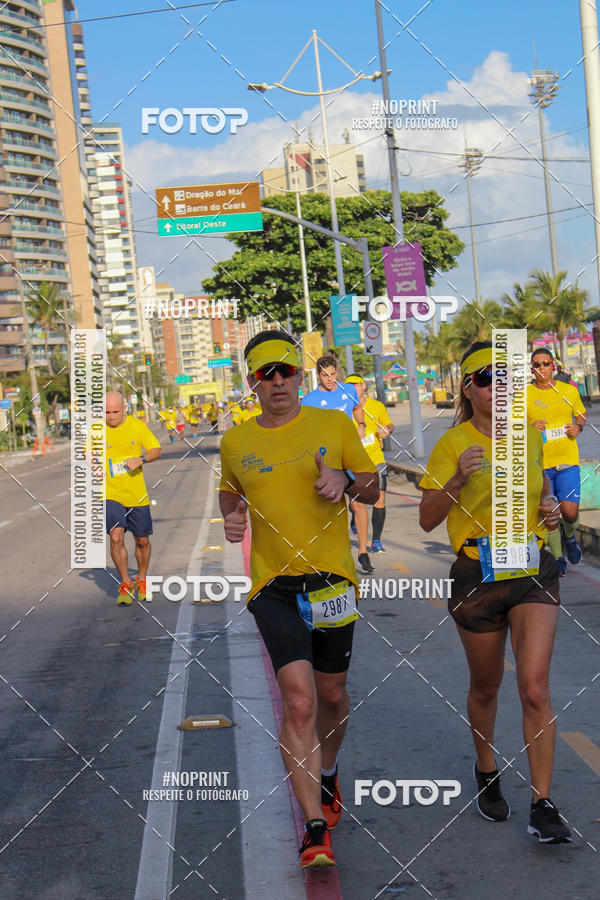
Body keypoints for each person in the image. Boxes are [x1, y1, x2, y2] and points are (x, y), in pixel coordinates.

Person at [220, 330, 378, 868]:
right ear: (253, 384)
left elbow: (373, 485)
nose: (278, 382)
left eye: (286, 372)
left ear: (301, 377)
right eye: (267, 374)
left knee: (332, 697)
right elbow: (229, 486)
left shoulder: (333, 425)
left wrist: (344, 480)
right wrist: (231, 513)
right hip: (273, 587)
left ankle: (328, 771)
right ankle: (314, 826)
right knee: (300, 700)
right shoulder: (236, 441)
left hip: (332, 582)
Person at [418, 341, 572, 844]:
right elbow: (426, 519)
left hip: (531, 568)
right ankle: (487, 769)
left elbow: (542, 493)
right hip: (476, 574)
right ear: (469, 388)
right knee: (486, 686)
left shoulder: (526, 434)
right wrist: (458, 478)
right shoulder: (451, 444)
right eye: (486, 378)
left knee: (534, 686)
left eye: (506, 377)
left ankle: (542, 803)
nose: (499, 387)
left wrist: (549, 510)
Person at [302, 355, 373, 575]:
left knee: (359, 503)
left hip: (350, 456)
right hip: (326, 460)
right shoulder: (308, 400)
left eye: (333, 374)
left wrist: (360, 424)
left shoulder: (348, 391)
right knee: (331, 508)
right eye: (325, 375)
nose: (330, 379)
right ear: (318, 375)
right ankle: (333, 555)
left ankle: (363, 552)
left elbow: (357, 409)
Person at [527, 347, 586, 576]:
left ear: (554, 366)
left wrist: (577, 427)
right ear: (532, 369)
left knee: (570, 512)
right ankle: (558, 557)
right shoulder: (524, 395)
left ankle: (570, 538)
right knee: (549, 514)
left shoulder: (567, 391)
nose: (541, 368)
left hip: (567, 460)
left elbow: (580, 413)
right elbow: (511, 427)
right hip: (540, 465)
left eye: (545, 363)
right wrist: (529, 428)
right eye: (537, 365)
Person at [102, 391, 162, 604]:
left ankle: (142, 579)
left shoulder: (137, 426)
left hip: (136, 494)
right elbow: (86, 452)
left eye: (115, 412)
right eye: (107, 412)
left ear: (124, 408)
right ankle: (126, 582)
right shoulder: (96, 430)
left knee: (142, 540)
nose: (110, 416)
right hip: (110, 493)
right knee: (116, 536)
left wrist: (141, 459)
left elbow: (156, 449)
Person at [345, 375, 395, 553]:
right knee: (357, 504)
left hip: (376, 460)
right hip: (353, 463)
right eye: (348, 385)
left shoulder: (377, 406)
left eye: (355, 384)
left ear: (363, 386)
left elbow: (388, 424)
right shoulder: (343, 409)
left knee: (379, 500)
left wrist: (386, 430)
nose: (353, 388)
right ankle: (355, 518)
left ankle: (376, 541)